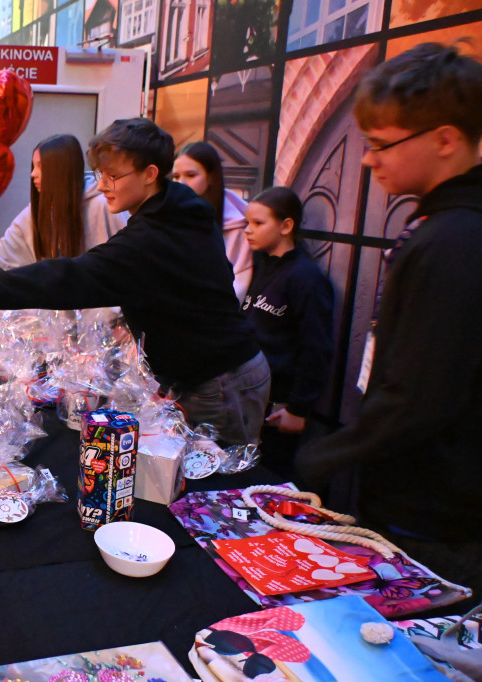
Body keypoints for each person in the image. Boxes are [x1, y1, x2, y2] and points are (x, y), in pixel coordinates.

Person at [0, 118, 270, 446]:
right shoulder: (176, 206)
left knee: (213, 488)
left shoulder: (153, 235)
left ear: (150, 174)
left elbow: (71, 276)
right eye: (99, 174)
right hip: (200, 371)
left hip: (221, 379)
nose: (102, 186)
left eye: (113, 176)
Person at [295, 43, 482, 596]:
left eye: (381, 146)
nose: (368, 160)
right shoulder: (446, 226)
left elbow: (422, 396)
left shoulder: (454, 241)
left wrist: (323, 455)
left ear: (446, 139)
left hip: (434, 515)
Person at [241, 187, 333, 478]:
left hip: (278, 409)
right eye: (246, 223)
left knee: (268, 482)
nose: (248, 231)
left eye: (258, 223)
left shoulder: (307, 278)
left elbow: (315, 347)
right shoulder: (261, 267)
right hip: (248, 400)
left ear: (286, 225)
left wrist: (298, 408)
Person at [0, 134, 126, 279]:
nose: (33, 174)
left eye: (41, 167)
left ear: (60, 170)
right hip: (60, 320)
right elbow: (0, 257)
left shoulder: (104, 207)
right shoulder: (39, 211)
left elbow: (118, 272)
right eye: (34, 166)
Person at [172, 141, 253, 301]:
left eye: (190, 175)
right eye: (176, 176)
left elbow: (239, 285)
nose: (181, 183)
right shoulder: (169, 215)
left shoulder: (236, 225)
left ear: (210, 177)